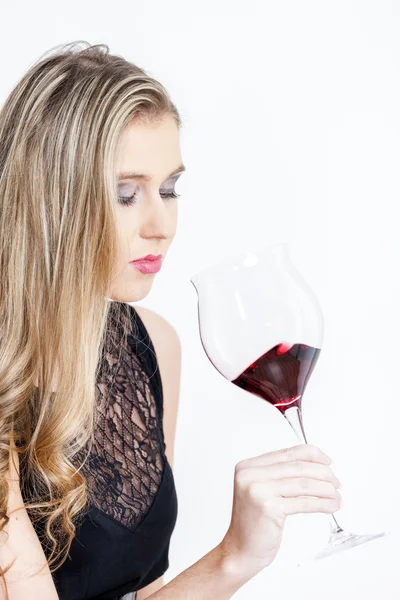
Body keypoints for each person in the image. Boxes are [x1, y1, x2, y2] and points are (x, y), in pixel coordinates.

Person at [0, 41, 342, 600]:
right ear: (50, 201)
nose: (162, 225)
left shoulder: (151, 346)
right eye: (126, 194)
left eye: (169, 189)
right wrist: (230, 557)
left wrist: (240, 557)